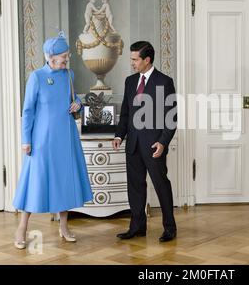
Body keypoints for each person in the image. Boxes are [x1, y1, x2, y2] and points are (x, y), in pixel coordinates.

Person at [12, 32, 93, 249]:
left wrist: (78, 103)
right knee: (34, 181)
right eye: (64, 56)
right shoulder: (36, 77)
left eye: (67, 55)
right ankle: (22, 228)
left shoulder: (69, 75)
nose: (67, 59)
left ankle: (64, 226)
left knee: (64, 181)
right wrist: (25, 140)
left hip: (66, 137)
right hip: (41, 140)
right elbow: (28, 111)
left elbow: (73, 99)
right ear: (51, 56)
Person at [112, 41, 177, 242]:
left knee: (161, 185)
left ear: (147, 60)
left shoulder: (164, 82)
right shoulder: (130, 81)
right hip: (132, 145)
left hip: (154, 145)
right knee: (135, 187)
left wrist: (163, 142)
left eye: (135, 59)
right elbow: (126, 113)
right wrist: (118, 135)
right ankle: (137, 227)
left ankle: (169, 228)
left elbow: (171, 117)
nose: (131, 63)